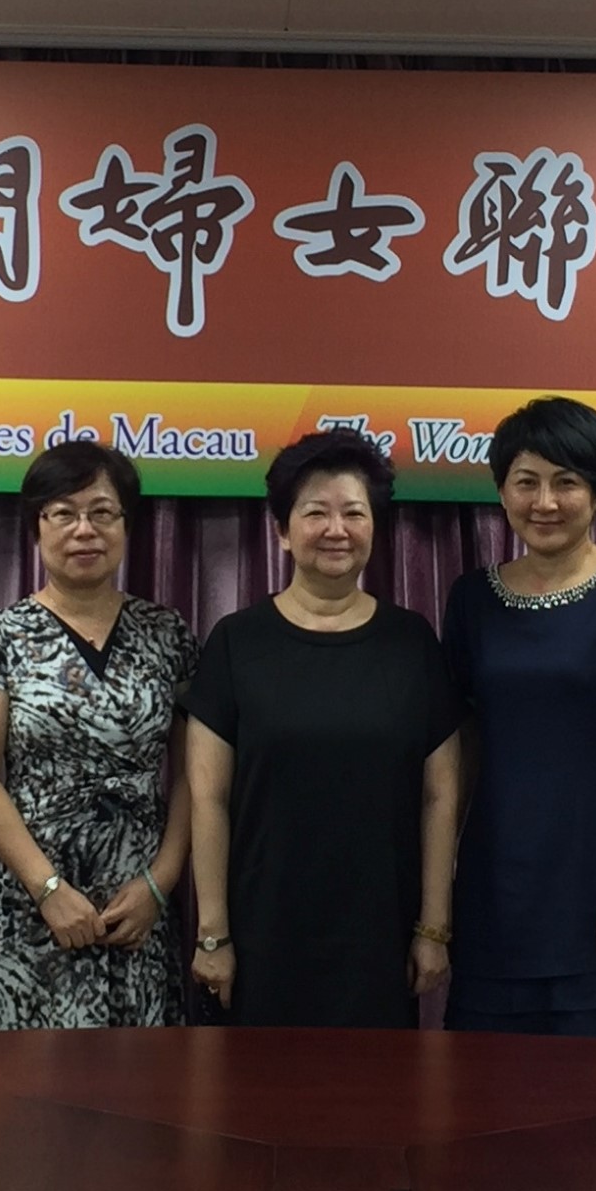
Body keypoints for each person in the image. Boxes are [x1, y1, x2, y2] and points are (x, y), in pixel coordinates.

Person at [184, 430, 463, 1028]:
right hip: (260, 934)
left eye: (354, 513)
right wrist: (213, 935)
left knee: (374, 1086)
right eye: (315, 513)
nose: (336, 529)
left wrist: (433, 927)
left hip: (381, 936)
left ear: (375, 529)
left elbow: (441, 795)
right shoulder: (236, 642)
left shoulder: (411, 642)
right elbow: (208, 798)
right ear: (282, 531)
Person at [443, 398, 596, 1039]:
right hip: (496, 897)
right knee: (486, 1091)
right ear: (502, 490)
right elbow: (462, 748)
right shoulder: (471, 599)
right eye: (526, 482)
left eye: (567, 482)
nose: (545, 502)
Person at [0, 442, 196, 1029]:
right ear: (36, 526)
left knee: (138, 1078)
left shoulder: (167, 634)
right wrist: (49, 890)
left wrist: (159, 884)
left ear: (126, 525)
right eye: (63, 513)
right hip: (30, 905)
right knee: (24, 1081)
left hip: (136, 907)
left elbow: (198, 775)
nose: (84, 530)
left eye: (102, 512)